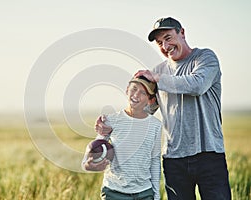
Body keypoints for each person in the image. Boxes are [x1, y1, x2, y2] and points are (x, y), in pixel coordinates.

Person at [96, 17, 232, 200]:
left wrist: (157, 78)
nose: (165, 46)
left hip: (209, 155)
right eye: (160, 42)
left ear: (182, 33)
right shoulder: (158, 71)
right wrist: (110, 125)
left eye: (168, 38)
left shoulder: (205, 58)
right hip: (174, 160)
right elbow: (144, 110)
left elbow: (197, 85)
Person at [82, 75, 162, 200]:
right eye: (134, 89)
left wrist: (156, 195)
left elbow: (155, 160)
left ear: (150, 100)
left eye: (143, 93)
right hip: (114, 192)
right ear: (126, 90)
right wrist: (87, 165)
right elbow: (94, 149)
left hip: (144, 193)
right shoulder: (110, 120)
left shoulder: (155, 125)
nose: (136, 95)